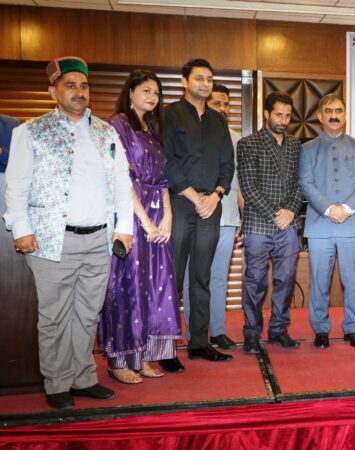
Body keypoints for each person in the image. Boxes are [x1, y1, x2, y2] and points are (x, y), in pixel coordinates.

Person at [3, 56, 133, 409]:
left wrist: (124, 228)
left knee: (88, 312)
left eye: (84, 85)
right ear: (53, 92)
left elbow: (122, 183)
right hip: (52, 239)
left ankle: (83, 378)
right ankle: (57, 382)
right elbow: (16, 185)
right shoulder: (30, 131)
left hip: (100, 239)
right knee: (55, 314)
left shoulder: (106, 132)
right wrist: (21, 228)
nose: (79, 92)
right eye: (70, 85)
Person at [98, 69, 181, 384]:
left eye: (157, 92)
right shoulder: (118, 124)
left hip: (157, 220)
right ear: (130, 93)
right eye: (146, 90)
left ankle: (142, 354)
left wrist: (167, 216)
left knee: (154, 287)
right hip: (131, 217)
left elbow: (161, 181)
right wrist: (145, 222)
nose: (153, 96)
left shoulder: (152, 129)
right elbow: (123, 179)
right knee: (128, 287)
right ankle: (120, 360)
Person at [163, 58, 235, 368]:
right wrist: (195, 197)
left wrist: (216, 195)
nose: (205, 84)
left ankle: (199, 343)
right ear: (184, 81)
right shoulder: (169, 115)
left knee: (202, 277)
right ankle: (165, 348)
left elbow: (227, 165)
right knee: (173, 277)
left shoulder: (219, 121)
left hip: (211, 207)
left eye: (209, 79)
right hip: (181, 203)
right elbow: (166, 161)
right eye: (199, 78)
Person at [298, 94, 355, 349]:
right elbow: (306, 183)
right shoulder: (307, 148)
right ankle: (320, 329)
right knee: (320, 281)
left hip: (352, 224)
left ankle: (353, 328)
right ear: (320, 116)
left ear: (345, 115)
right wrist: (330, 209)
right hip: (320, 224)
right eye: (328, 111)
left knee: (353, 280)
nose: (334, 115)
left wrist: (347, 208)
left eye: (338, 110)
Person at [238, 91, 304, 352]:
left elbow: (300, 184)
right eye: (278, 114)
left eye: (287, 116)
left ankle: (278, 330)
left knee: (286, 280)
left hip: (288, 224)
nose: (283, 120)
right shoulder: (248, 143)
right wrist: (276, 214)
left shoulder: (296, 145)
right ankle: (252, 334)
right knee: (255, 281)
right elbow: (248, 186)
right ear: (266, 113)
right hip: (258, 224)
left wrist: (290, 211)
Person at [182, 83, 242, 351]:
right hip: (197, 216)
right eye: (217, 103)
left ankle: (217, 331)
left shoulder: (237, 138)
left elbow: (239, 182)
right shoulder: (192, 134)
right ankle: (194, 334)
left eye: (226, 104)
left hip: (227, 218)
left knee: (218, 278)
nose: (222, 108)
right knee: (193, 278)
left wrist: (241, 217)